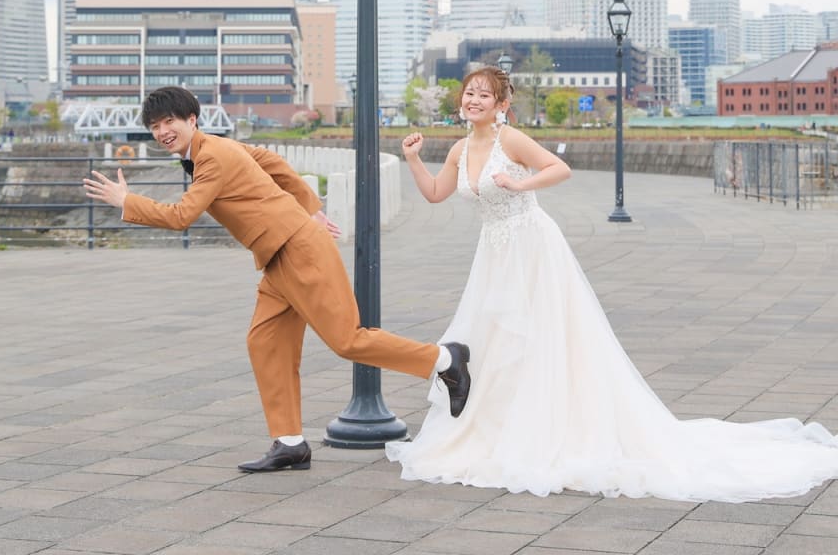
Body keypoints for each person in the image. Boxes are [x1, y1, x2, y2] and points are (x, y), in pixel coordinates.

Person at [386, 66, 838, 502]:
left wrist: (518, 186)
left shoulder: (512, 139)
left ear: (501, 105)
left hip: (531, 246)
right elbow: (434, 193)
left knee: (538, 335)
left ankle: (545, 430)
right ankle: (499, 424)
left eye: (484, 95)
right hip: (493, 253)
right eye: (469, 93)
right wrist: (411, 158)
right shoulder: (458, 150)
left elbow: (559, 169)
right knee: (494, 339)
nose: (473, 100)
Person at [83, 86, 472, 474]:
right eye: (154, 126)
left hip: (297, 249)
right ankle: (289, 443)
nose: (162, 131)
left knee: (347, 339)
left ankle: (444, 360)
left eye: (169, 121)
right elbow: (271, 160)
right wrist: (310, 207)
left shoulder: (213, 157)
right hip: (277, 254)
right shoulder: (217, 147)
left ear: (191, 120)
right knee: (266, 342)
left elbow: (181, 216)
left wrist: (126, 201)